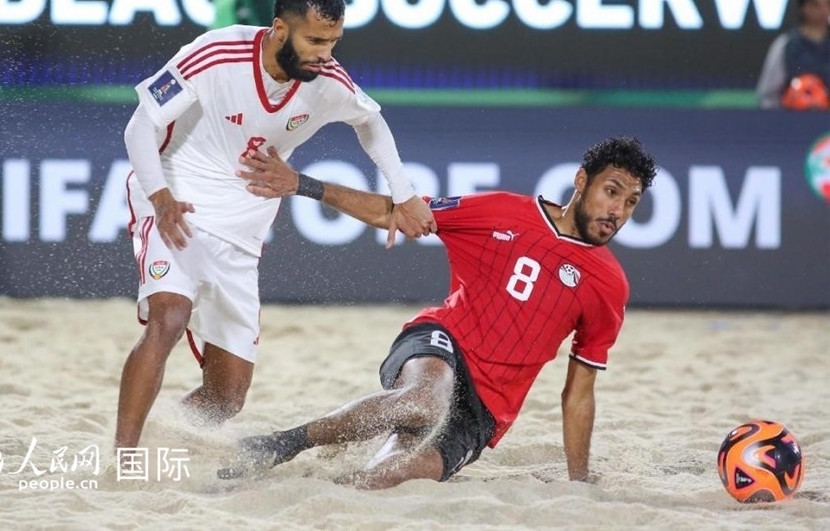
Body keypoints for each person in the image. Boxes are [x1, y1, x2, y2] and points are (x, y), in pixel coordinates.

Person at [115, 0, 436, 451]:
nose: (326, 54)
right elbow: (140, 126)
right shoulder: (216, 53)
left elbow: (371, 123)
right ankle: (122, 460)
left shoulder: (328, 79)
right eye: (315, 41)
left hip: (242, 228)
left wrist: (404, 193)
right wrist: (159, 196)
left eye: (334, 41)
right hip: (177, 200)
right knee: (169, 317)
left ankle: (164, 437)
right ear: (280, 30)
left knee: (226, 397)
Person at [221, 136, 658, 489]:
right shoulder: (504, 212)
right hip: (442, 343)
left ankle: (334, 484)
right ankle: (283, 443)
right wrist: (301, 183)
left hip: (486, 409)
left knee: (383, 478)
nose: (617, 211)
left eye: (631, 202)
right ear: (581, 181)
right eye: (611, 191)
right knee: (423, 402)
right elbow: (396, 213)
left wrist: (578, 480)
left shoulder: (608, 284)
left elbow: (579, 391)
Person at [756, 0, 830, 109]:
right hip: (792, 117)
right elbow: (768, 96)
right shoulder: (785, 45)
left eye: (827, 4)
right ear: (803, 7)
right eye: (815, 4)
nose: (822, 10)